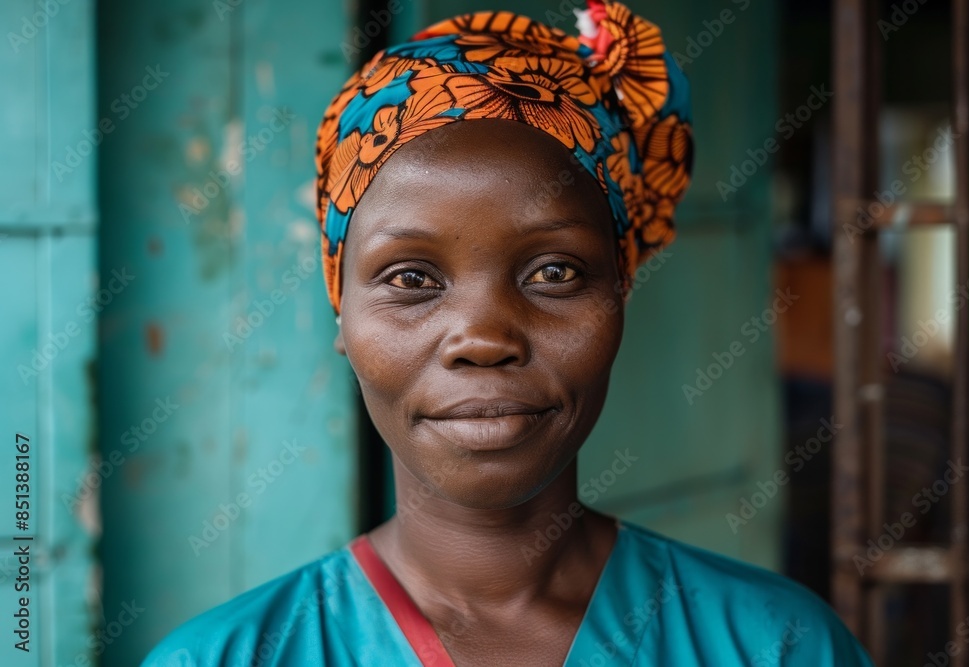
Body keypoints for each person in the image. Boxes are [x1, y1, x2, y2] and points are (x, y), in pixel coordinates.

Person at [143, 2, 874, 665]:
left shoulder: (776, 645)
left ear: (620, 293)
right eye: (410, 278)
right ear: (343, 314)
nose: (483, 336)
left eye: (554, 272)